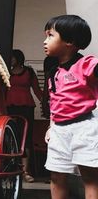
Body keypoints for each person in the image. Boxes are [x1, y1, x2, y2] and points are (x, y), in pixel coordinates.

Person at [43, 15, 98, 199]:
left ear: (70, 41)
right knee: (57, 176)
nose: (45, 41)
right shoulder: (53, 72)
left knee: (90, 177)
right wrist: (51, 126)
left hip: (84, 128)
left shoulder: (86, 64)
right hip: (59, 130)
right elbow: (55, 101)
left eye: (50, 35)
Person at [6, 49, 43, 182]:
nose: (11, 60)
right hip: (9, 108)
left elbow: (37, 90)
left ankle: (25, 172)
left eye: (13, 58)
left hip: (26, 108)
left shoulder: (29, 71)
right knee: (10, 138)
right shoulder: (5, 71)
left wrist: (48, 103)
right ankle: (12, 170)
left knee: (25, 138)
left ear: (19, 58)